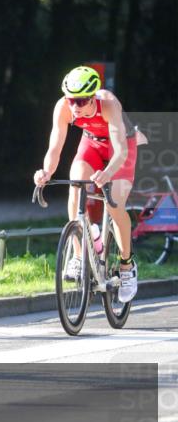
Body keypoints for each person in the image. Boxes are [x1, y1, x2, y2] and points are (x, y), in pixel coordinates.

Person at [33, 65, 141, 302]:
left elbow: (121, 150)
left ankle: (127, 265)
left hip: (121, 148)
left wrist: (107, 173)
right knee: (75, 185)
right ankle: (80, 256)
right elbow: (55, 147)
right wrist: (46, 172)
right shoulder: (63, 108)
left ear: (93, 97)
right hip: (91, 144)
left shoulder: (109, 104)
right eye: (71, 100)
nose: (74, 106)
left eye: (81, 102)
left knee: (114, 204)